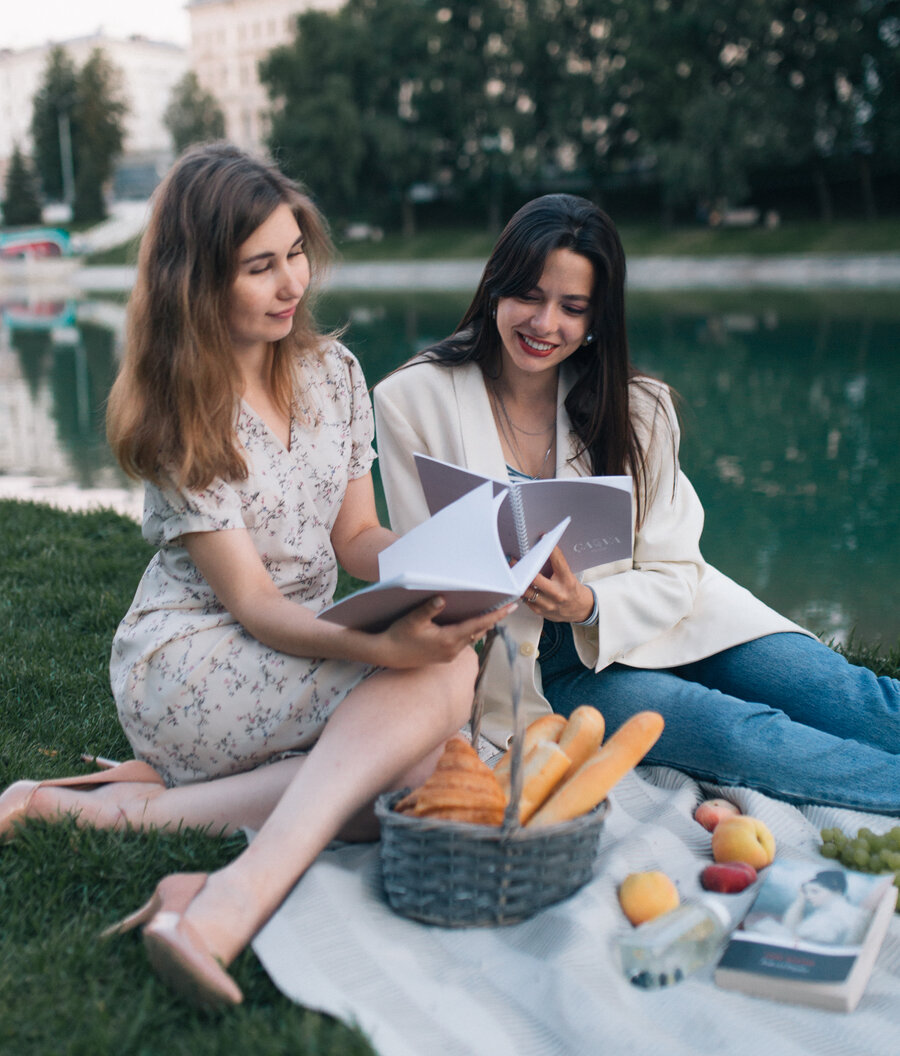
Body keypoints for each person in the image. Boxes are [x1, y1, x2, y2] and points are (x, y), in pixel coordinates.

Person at [0, 143, 513, 1009]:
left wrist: (447, 565)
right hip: (194, 659)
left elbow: (355, 535)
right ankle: (228, 904)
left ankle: (105, 811)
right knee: (442, 675)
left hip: (294, 646)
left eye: (297, 253)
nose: (292, 285)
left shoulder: (336, 373)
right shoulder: (180, 413)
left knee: (418, 771)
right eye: (260, 266)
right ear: (198, 280)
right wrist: (388, 649)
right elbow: (257, 606)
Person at [374, 193, 900, 815]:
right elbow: (425, 577)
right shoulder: (411, 399)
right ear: (495, 288)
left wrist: (587, 603)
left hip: (679, 616)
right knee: (737, 732)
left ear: (598, 317)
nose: (545, 325)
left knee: (840, 693)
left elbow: (677, 571)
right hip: (549, 667)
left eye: (572, 308)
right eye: (529, 297)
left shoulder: (639, 405)